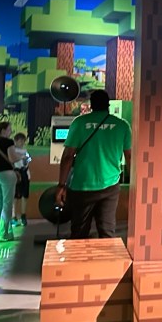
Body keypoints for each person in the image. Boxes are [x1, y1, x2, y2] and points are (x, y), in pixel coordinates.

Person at [56, 90, 132, 239]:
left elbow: (68, 156)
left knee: (79, 232)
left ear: (91, 105)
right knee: (107, 231)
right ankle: (106, 254)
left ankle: (80, 253)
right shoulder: (122, 125)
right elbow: (129, 156)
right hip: (110, 186)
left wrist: (61, 185)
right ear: (108, 105)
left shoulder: (79, 122)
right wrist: (134, 184)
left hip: (82, 186)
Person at [12, 133, 32, 229]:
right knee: (15, 196)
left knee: (25, 195)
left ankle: (23, 215)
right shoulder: (12, 150)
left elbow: (28, 162)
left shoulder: (25, 151)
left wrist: (27, 172)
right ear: (15, 141)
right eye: (20, 141)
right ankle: (13, 216)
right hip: (16, 174)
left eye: (23, 141)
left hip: (24, 173)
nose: (22, 143)